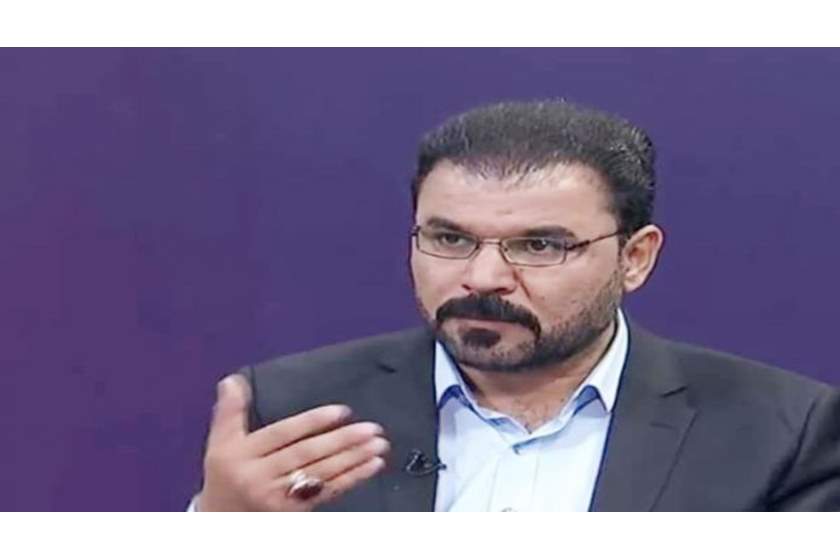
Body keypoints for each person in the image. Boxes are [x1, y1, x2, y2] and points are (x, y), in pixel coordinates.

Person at [195, 100, 840, 512]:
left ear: (635, 258)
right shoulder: (296, 411)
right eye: (450, 239)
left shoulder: (782, 433)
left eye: (539, 245)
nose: (482, 279)